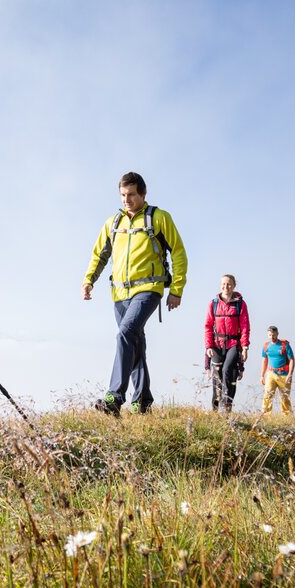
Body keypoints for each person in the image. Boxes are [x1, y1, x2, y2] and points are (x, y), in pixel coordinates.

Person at [83, 172, 188, 417]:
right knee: (134, 344)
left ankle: (114, 396)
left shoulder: (159, 218)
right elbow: (99, 254)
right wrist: (89, 280)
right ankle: (142, 402)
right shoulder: (113, 223)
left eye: (131, 194)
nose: (126, 200)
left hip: (148, 290)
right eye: (122, 195)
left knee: (125, 334)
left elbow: (179, 253)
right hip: (119, 294)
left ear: (143, 193)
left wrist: (176, 290)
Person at [204, 274, 250, 412]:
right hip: (217, 344)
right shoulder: (213, 303)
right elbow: (207, 326)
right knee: (217, 375)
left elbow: (245, 326)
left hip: (233, 344)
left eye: (229, 284)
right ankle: (215, 408)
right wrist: (208, 346)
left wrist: (245, 346)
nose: (226, 287)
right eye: (223, 284)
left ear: (234, 285)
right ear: (220, 285)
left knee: (227, 370)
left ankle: (227, 405)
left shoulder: (240, 304)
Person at [260, 326, 295, 416]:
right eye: (270, 335)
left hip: (283, 374)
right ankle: (265, 416)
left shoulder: (284, 345)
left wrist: (290, 374)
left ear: (277, 334)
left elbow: (291, 359)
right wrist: (262, 375)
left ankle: (287, 416)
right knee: (267, 395)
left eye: (274, 335)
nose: (272, 337)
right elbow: (264, 360)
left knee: (284, 397)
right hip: (271, 373)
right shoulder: (266, 346)